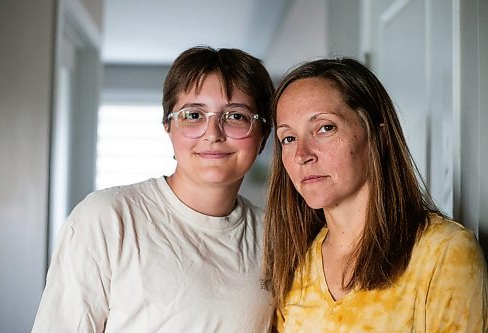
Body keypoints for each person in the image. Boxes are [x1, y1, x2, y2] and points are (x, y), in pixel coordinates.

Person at [32, 46, 275, 332]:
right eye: (193, 115)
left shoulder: (275, 237)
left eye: (236, 116)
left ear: (263, 136)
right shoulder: (107, 219)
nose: (213, 134)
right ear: (167, 127)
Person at [262, 58, 488, 332]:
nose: (301, 155)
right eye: (288, 138)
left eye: (325, 128)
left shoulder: (444, 252)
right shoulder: (296, 261)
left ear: (378, 138)